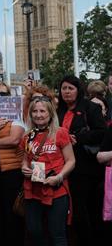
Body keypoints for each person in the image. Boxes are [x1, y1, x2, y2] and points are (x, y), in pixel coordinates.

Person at [56, 75, 107, 245]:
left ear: (78, 90)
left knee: (88, 210)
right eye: (64, 88)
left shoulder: (90, 108)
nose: (67, 92)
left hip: (86, 168)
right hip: (64, 168)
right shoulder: (57, 110)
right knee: (73, 211)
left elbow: (101, 132)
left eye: (71, 88)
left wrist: (80, 137)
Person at [20, 96, 75, 245]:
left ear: (50, 113)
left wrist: (59, 176)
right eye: (35, 111)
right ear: (30, 114)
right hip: (33, 190)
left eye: (42, 111)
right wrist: (24, 167)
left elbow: (71, 161)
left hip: (56, 189)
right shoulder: (28, 136)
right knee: (34, 232)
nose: (38, 114)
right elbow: (26, 159)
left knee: (57, 234)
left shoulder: (60, 133)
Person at [0, 81, 26, 246]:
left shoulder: (16, 115)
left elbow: (14, 140)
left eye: (3, 94)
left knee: (11, 213)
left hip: (11, 170)